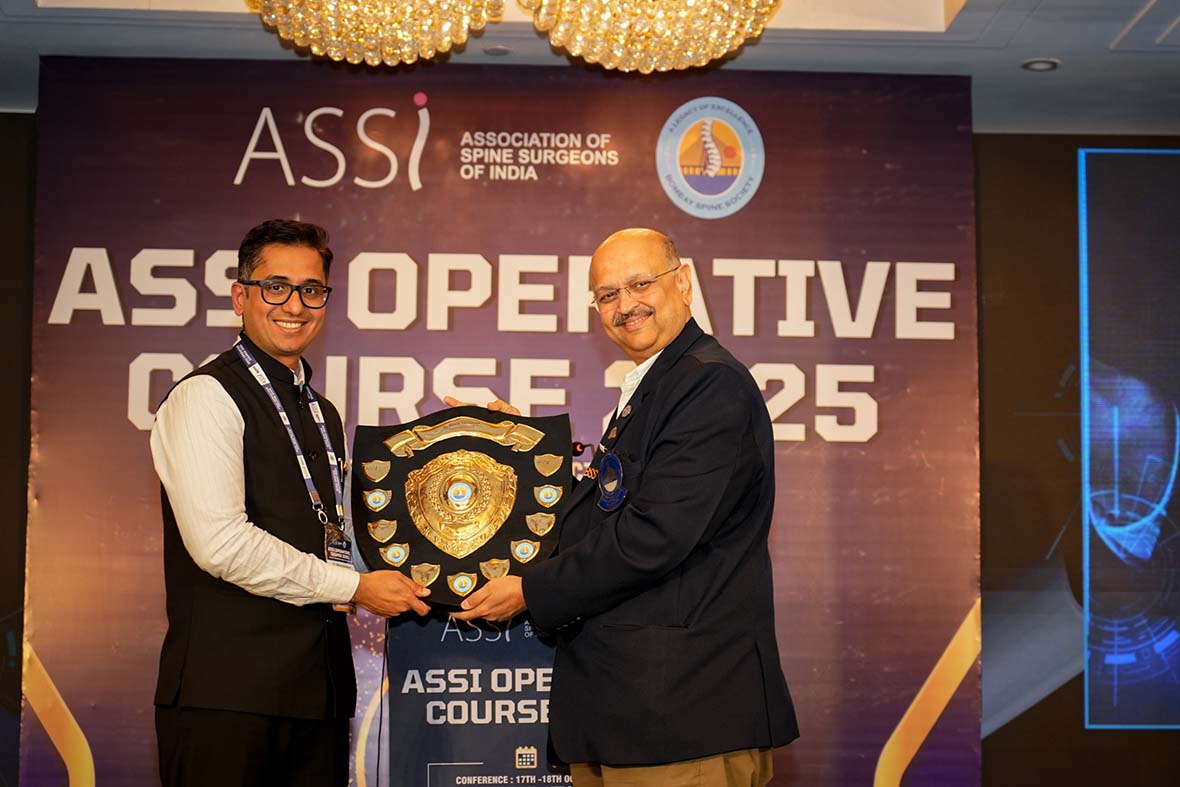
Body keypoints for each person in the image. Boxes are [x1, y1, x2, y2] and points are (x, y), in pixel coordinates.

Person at [453, 228, 799, 786]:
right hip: (629, 715)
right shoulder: (659, 382)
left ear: (683, 282)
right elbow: (608, 507)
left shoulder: (708, 384)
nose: (625, 305)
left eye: (640, 284)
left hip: (682, 718)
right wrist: (523, 456)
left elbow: (655, 534)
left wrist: (531, 590)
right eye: (607, 294)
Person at [150, 219, 430, 787]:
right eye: (275, 287)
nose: (295, 306)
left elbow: (347, 532)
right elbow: (221, 545)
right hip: (228, 698)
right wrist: (354, 587)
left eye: (311, 289)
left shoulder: (323, 413)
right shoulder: (206, 396)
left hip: (317, 694)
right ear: (240, 297)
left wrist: (476, 454)